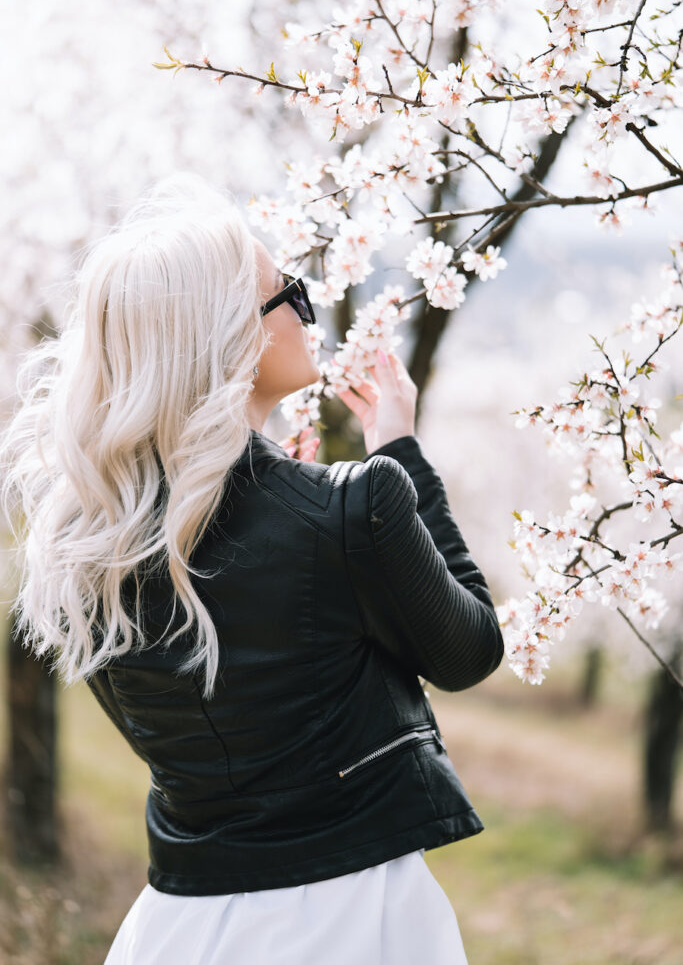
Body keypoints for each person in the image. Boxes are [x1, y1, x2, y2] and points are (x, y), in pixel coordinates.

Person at [0, 173, 504, 964]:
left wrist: (298, 496)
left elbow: (198, 727)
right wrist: (399, 454)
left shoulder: (84, 549)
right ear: (232, 331)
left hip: (180, 924)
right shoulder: (357, 504)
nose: (308, 313)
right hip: (352, 916)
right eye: (290, 296)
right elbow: (469, 651)